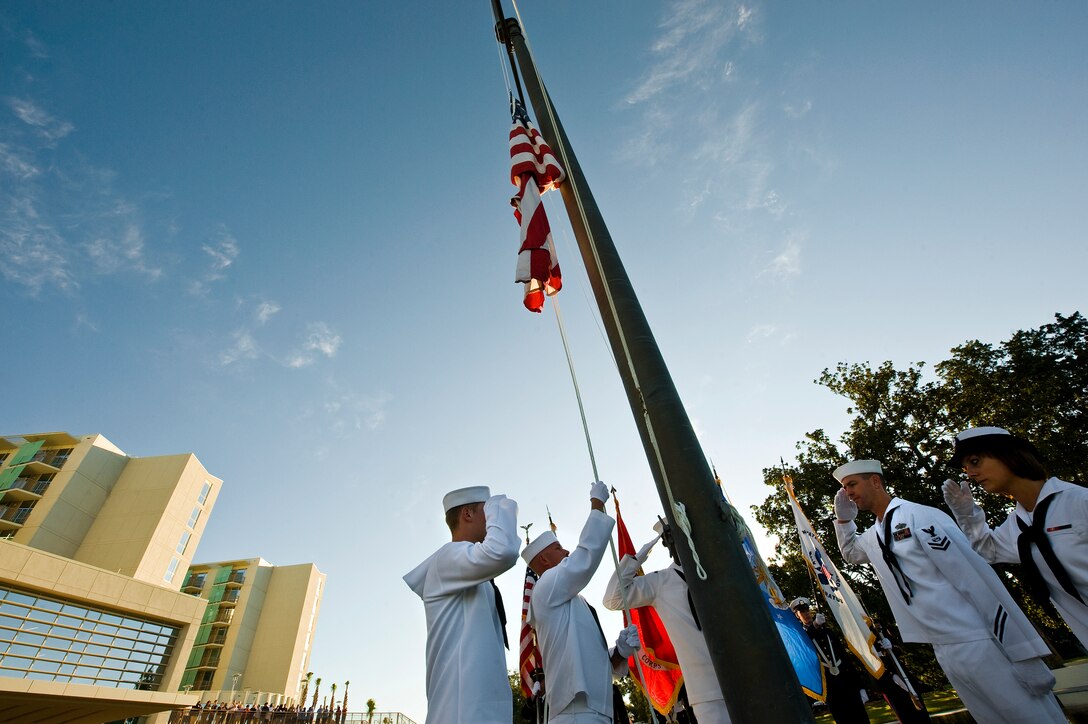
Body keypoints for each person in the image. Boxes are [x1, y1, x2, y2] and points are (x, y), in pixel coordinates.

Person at [832, 459, 1065, 723]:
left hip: (978, 638)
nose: (848, 493)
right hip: (944, 646)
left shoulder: (919, 516)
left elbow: (974, 579)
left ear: (875, 481)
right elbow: (851, 553)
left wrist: (1024, 654)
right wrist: (843, 521)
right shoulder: (874, 534)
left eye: (852, 484)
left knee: (1031, 717)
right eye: (845, 487)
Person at [944, 426, 1088, 651]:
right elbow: (988, 550)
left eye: (975, 461)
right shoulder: (1017, 525)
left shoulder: (1080, 502)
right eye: (966, 468)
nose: (970, 474)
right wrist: (967, 515)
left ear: (1006, 454)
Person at [523, 481, 640, 723]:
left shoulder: (575, 601)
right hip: (575, 714)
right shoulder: (545, 586)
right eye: (559, 548)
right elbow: (584, 556)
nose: (566, 552)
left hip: (597, 712)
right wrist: (597, 504)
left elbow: (595, 664)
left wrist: (619, 651)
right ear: (544, 559)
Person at [403, 485, 520, 724]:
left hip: (481, 707)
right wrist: (502, 507)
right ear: (467, 514)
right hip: (461, 709)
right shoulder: (449, 556)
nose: (492, 520)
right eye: (486, 512)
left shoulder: (477, 575)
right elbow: (503, 551)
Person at [602, 520, 732, 724]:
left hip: (747, 674)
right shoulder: (661, 582)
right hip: (706, 691)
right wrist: (637, 558)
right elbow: (613, 598)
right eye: (671, 538)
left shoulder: (717, 570)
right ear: (666, 544)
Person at [788, 596, 870, 723]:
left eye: (807, 610)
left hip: (847, 681)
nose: (806, 614)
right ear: (797, 616)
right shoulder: (801, 636)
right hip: (830, 687)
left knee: (861, 718)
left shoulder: (827, 631)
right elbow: (807, 642)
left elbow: (845, 658)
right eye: (802, 612)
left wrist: (860, 686)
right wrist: (815, 625)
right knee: (844, 719)